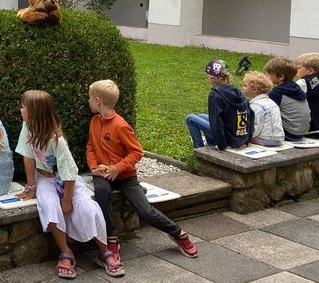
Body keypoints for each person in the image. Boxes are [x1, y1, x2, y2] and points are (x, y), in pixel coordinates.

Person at [86, 80, 198, 265]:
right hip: (102, 174)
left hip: (125, 176)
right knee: (101, 192)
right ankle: (112, 238)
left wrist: (117, 168)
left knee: (144, 210)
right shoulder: (94, 122)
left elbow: (137, 152)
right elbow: (90, 146)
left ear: (97, 101)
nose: (88, 100)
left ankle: (178, 233)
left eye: (90, 97)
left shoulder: (120, 126)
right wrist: (94, 167)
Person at [15, 90, 122, 278]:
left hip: (67, 182)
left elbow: (69, 173)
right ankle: (66, 252)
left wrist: (67, 199)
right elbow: (28, 157)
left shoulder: (57, 140)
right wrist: (32, 186)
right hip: (45, 179)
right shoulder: (27, 126)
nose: (20, 109)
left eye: (23, 106)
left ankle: (104, 251)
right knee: (48, 205)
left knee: (88, 208)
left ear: (34, 112)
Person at [185, 59, 253, 149]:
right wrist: (247, 138)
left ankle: (200, 151)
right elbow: (251, 114)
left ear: (212, 77)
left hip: (229, 139)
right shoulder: (237, 91)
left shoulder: (215, 94)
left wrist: (222, 145)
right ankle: (211, 145)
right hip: (240, 136)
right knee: (201, 116)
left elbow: (216, 121)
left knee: (190, 118)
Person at [265, 57, 310, 140]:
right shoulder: (296, 87)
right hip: (302, 132)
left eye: (269, 74)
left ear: (281, 76)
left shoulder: (278, 92)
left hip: (289, 133)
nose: (266, 76)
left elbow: (268, 111)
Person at [242, 72, 284, 146]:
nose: (242, 88)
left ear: (255, 89)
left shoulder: (256, 105)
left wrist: (245, 137)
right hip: (279, 138)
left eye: (245, 86)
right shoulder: (272, 103)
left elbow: (255, 128)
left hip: (265, 139)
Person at [294, 53, 319, 139]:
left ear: (310, 71)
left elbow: (288, 97)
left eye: (298, 68)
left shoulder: (304, 82)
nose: (295, 71)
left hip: (316, 129)